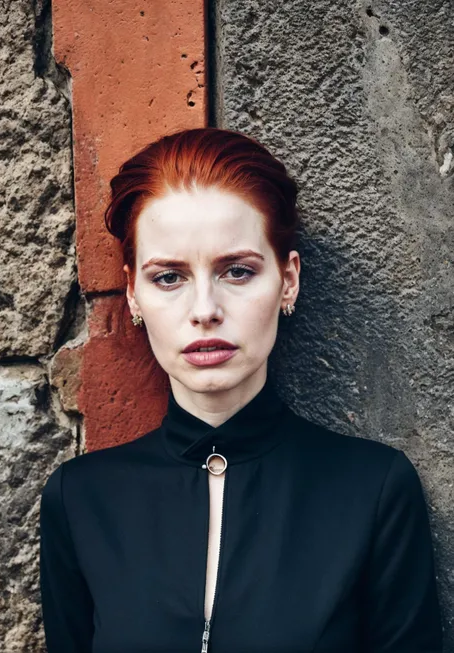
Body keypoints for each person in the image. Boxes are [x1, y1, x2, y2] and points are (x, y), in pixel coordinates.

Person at [39, 127, 443, 652]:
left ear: (287, 280)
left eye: (236, 271)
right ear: (133, 294)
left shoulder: (374, 489)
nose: (205, 309)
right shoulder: (80, 499)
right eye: (168, 278)